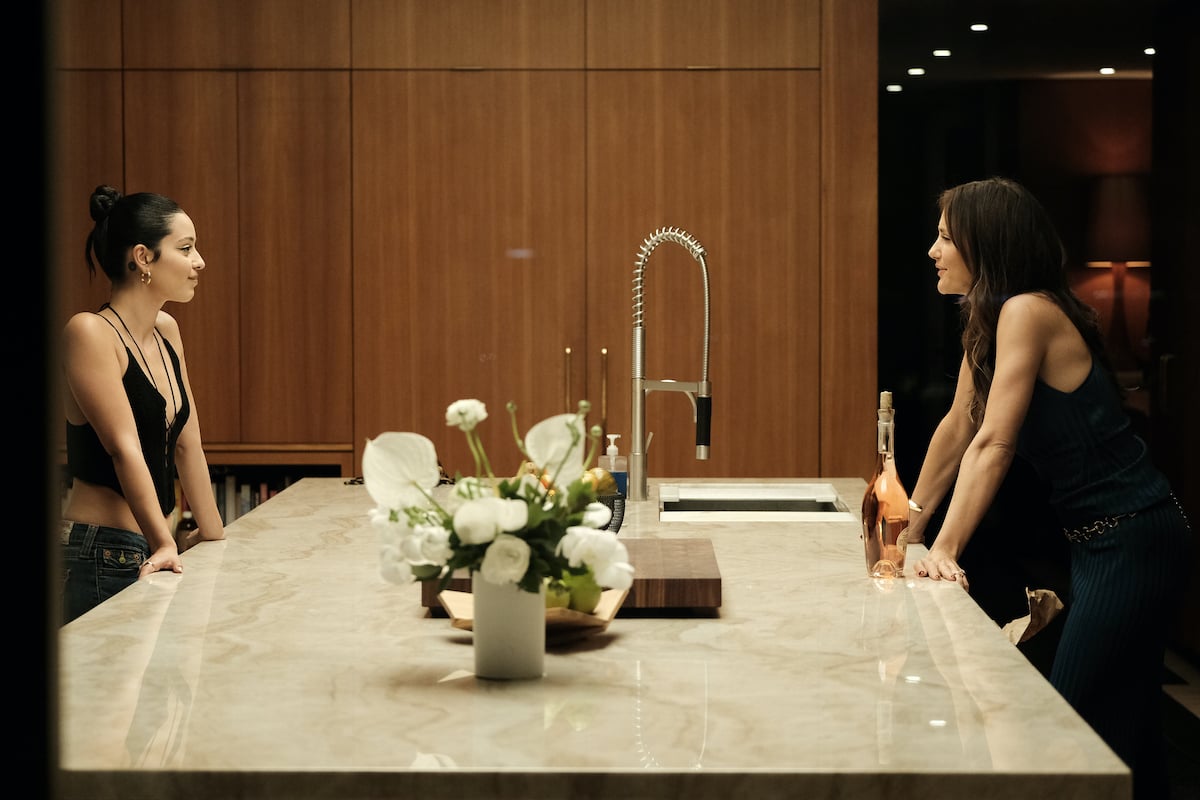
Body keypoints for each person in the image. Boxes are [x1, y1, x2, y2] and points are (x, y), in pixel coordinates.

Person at [904, 176, 1192, 800]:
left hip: (1134, 538)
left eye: (946, 238)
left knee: (1068, 730)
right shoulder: (988, 317)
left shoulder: (1026, 311)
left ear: (985, 244)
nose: (933, 250)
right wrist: (906, 530)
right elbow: (959, 427)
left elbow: (994, 443)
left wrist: (945, 547)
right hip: (1102, 542)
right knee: (1127, 734)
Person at [60, 185, 225, 624]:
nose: (199, 261)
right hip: (100, 550)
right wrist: (164, 542)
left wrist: (214, 535)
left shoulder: (166, 329)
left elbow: (188, 444)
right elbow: (123, 447)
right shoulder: (89, 332)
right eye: (186, 248)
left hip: (151, 548)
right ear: (143, 257)